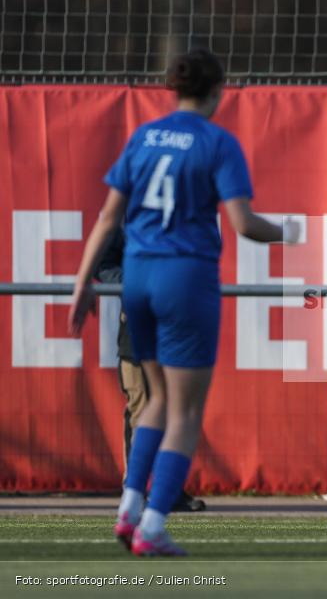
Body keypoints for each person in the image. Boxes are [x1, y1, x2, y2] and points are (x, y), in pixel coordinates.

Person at [68, 48, 300, 557]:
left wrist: (82, 284)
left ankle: (130, 507)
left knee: (154, 399)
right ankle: (152, 525)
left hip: (138, 277)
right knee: (186, 410)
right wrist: (288, 232)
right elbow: (242, 223)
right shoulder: (217, 142)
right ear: (218, 91)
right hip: (185, 278)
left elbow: (108, 219)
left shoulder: (144, 137)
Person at [96, 226, 206, 513]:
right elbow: (103, 264)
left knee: (175, 410)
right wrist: (134, 283)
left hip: (174, 326)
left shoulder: (182, 211)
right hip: (137, 329)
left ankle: (169, 489)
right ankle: (136, 489)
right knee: (142, 407)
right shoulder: (125, 214)